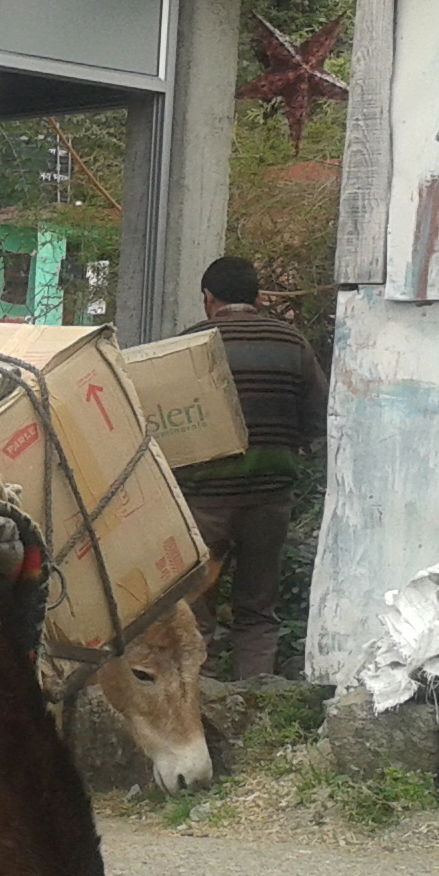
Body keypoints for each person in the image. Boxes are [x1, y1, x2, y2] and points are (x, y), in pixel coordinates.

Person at [177, 256, 327, 680]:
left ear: (208, 297)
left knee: (195, 606)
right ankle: (256, 694)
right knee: (258, 606)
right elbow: (320, 418)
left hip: (204, 498)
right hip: (269, 496)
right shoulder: (292, 343)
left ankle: (200, 694)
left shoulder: (189, 346)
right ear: (258, 297)